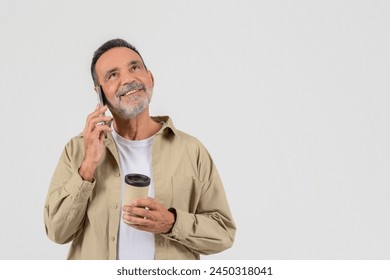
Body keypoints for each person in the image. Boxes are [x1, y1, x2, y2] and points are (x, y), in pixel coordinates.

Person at [44, 38, 236, 260]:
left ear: (150, 78)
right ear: (100, 93)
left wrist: (172, 223)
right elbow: (56, 232)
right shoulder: (77, 150)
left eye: (134, 67)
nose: (128, 79)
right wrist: (87, 167)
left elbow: (224, 233)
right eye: (113, 75)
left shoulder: (191, 150)